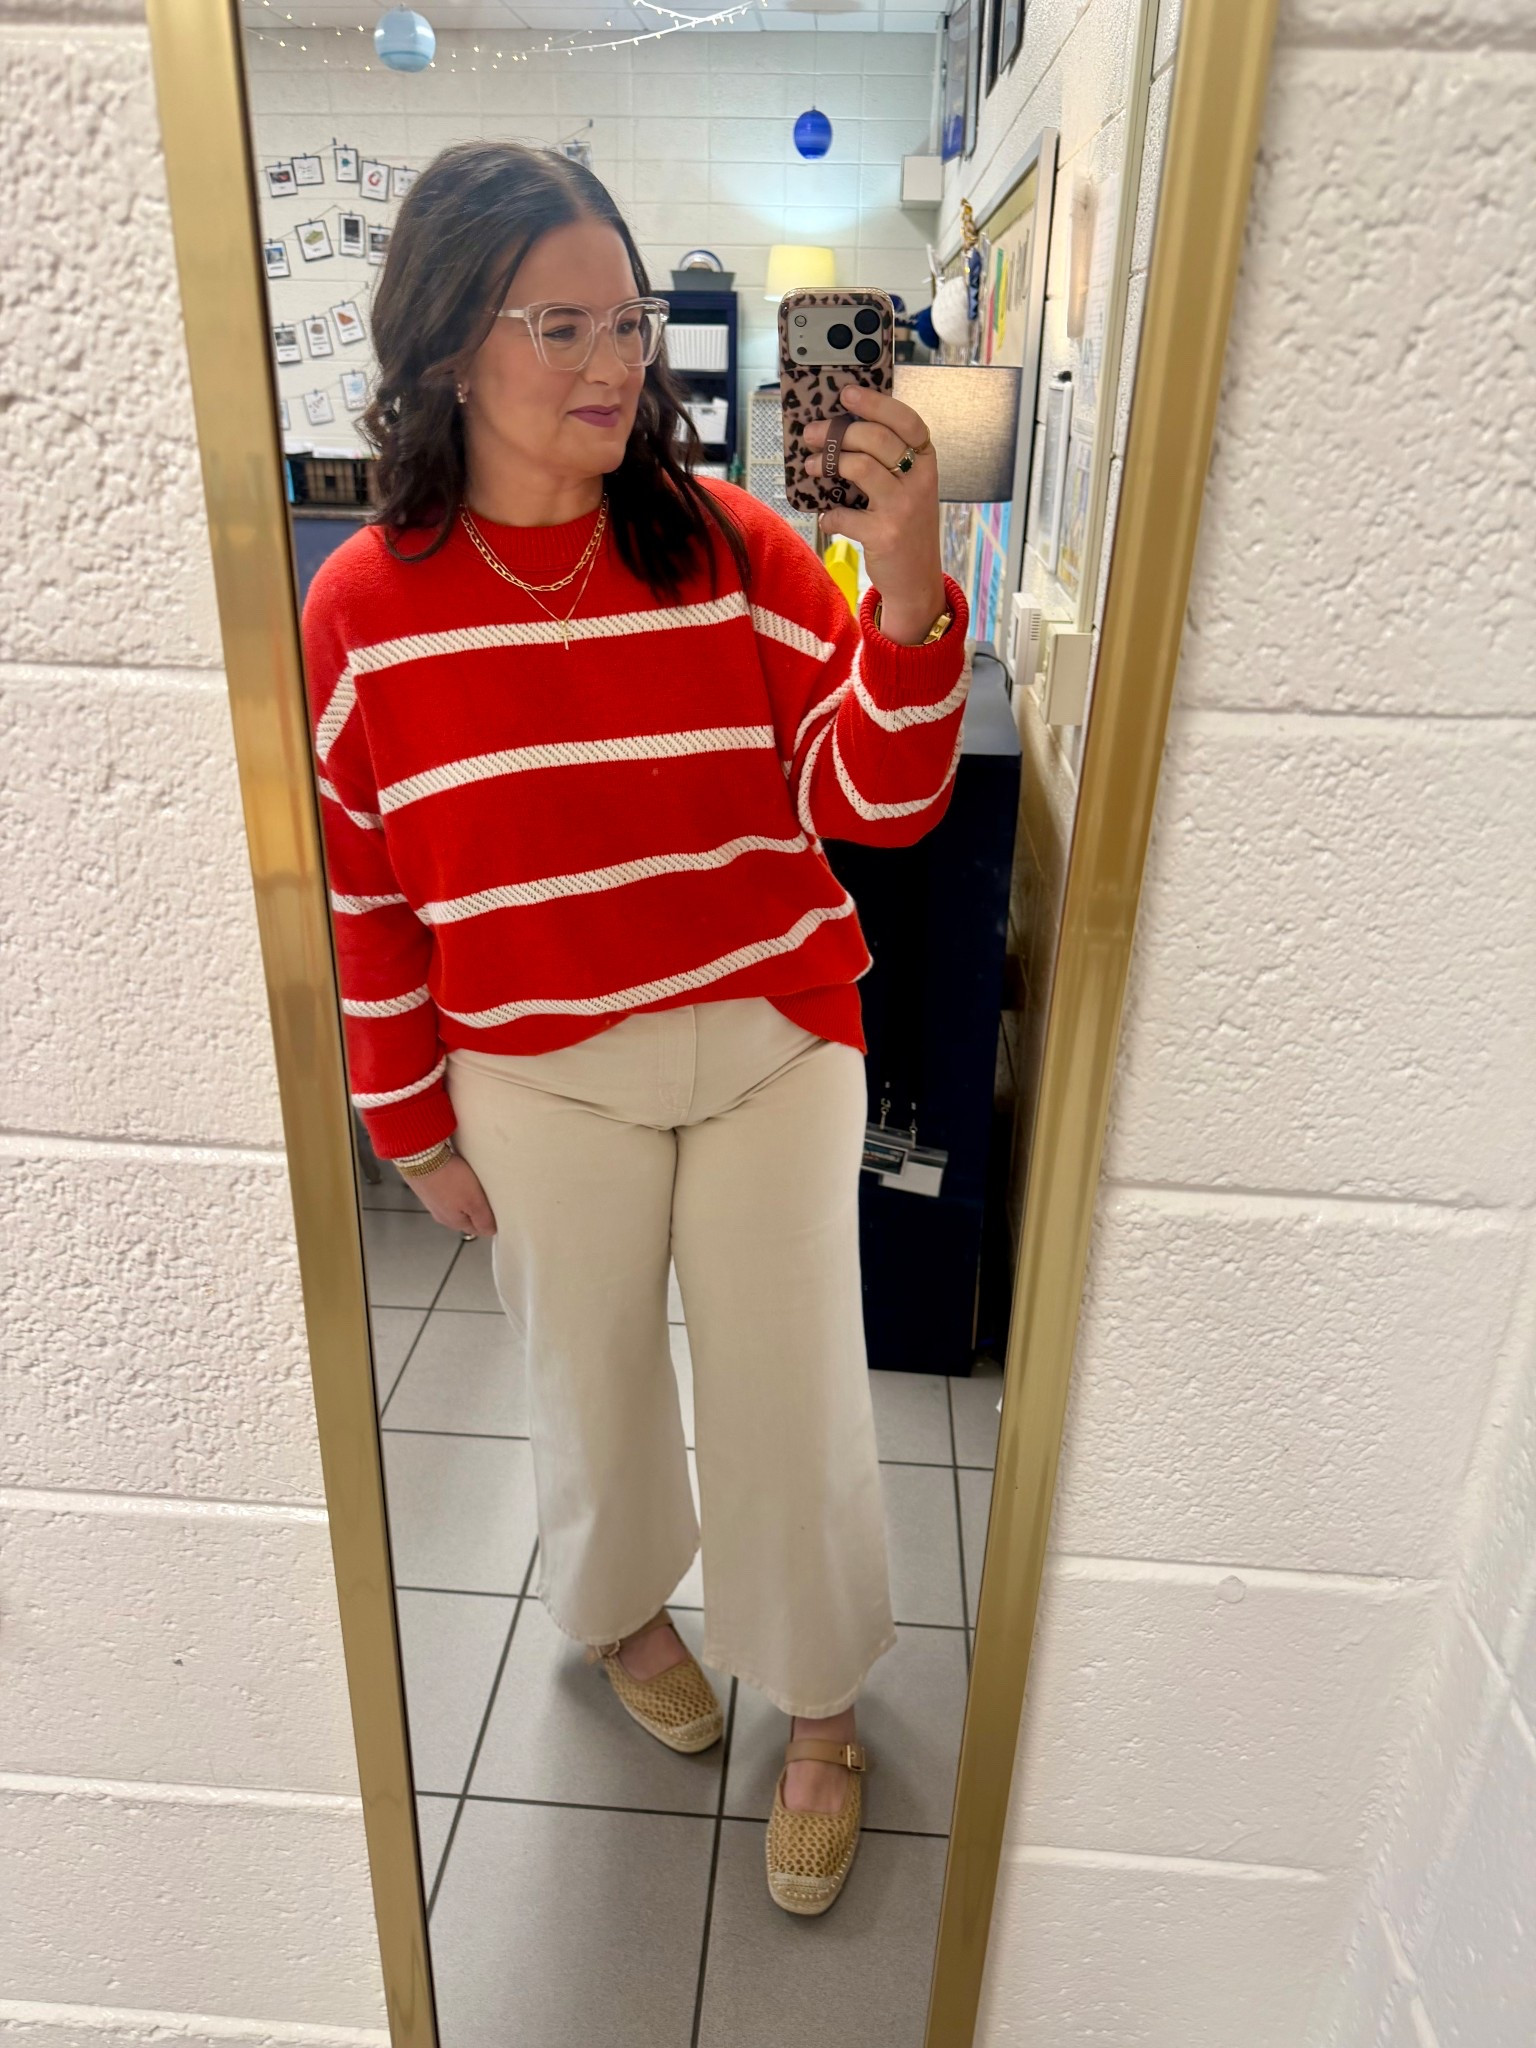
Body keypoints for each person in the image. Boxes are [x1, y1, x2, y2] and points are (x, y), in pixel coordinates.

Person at [301, 141, 969, 1917]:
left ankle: (819, 1708)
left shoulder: (728, 544)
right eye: (565, 325)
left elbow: (878, 800)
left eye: (632, 323)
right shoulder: (362, 606)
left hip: (769, 1037)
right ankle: (618, 1619)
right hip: (532, 1069)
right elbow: (365, 885)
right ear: (451, 344)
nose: (617, 364)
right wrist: (408, 1115)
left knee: (791, 1384)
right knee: (585, 1378)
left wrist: (903, 590)